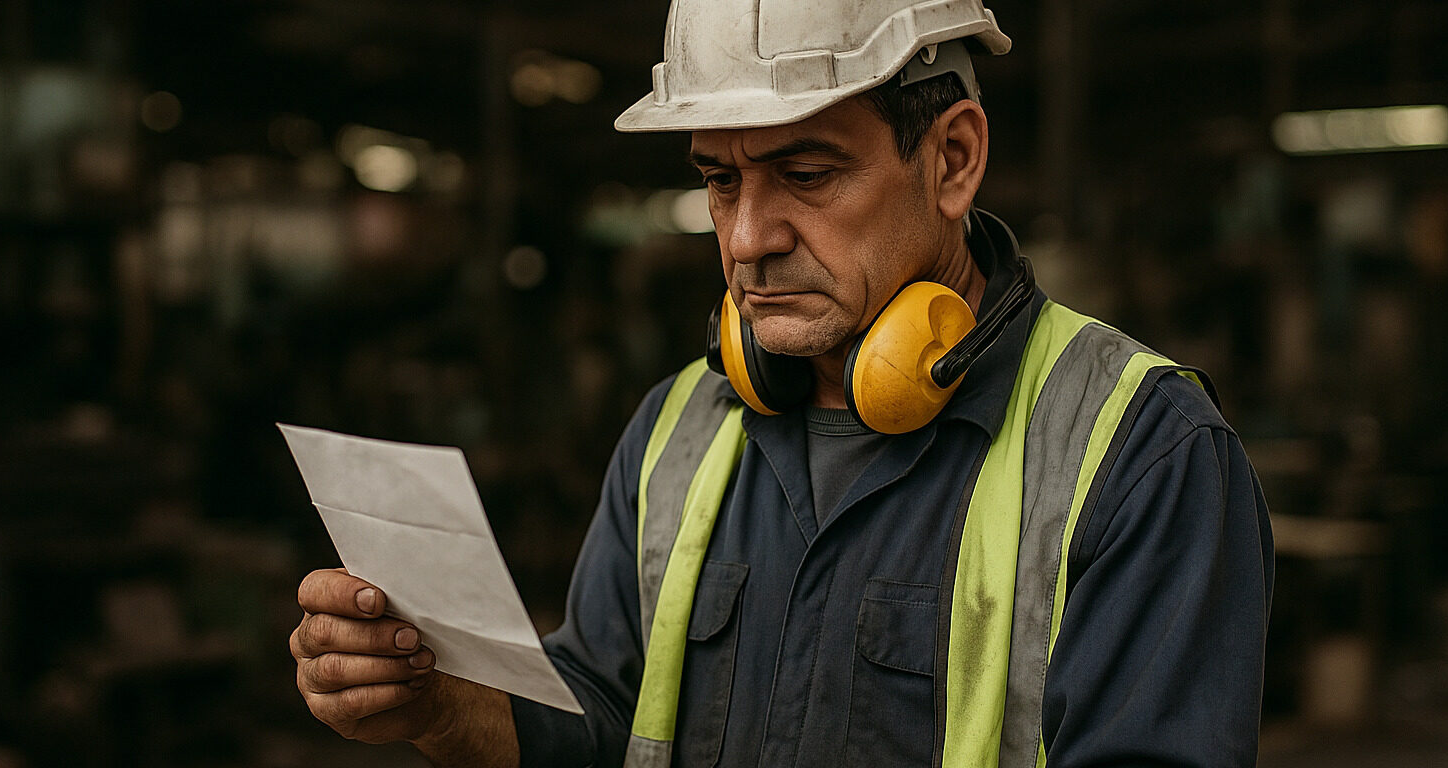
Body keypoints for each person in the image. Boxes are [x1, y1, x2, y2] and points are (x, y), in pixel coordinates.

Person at [288, 1, 1274, 766]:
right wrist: (435, 706)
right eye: (721, 180)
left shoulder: (1139, 454)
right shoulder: (679, 428)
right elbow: (600, 727)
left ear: (954, 159)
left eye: (806, 173)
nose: (749, 239)